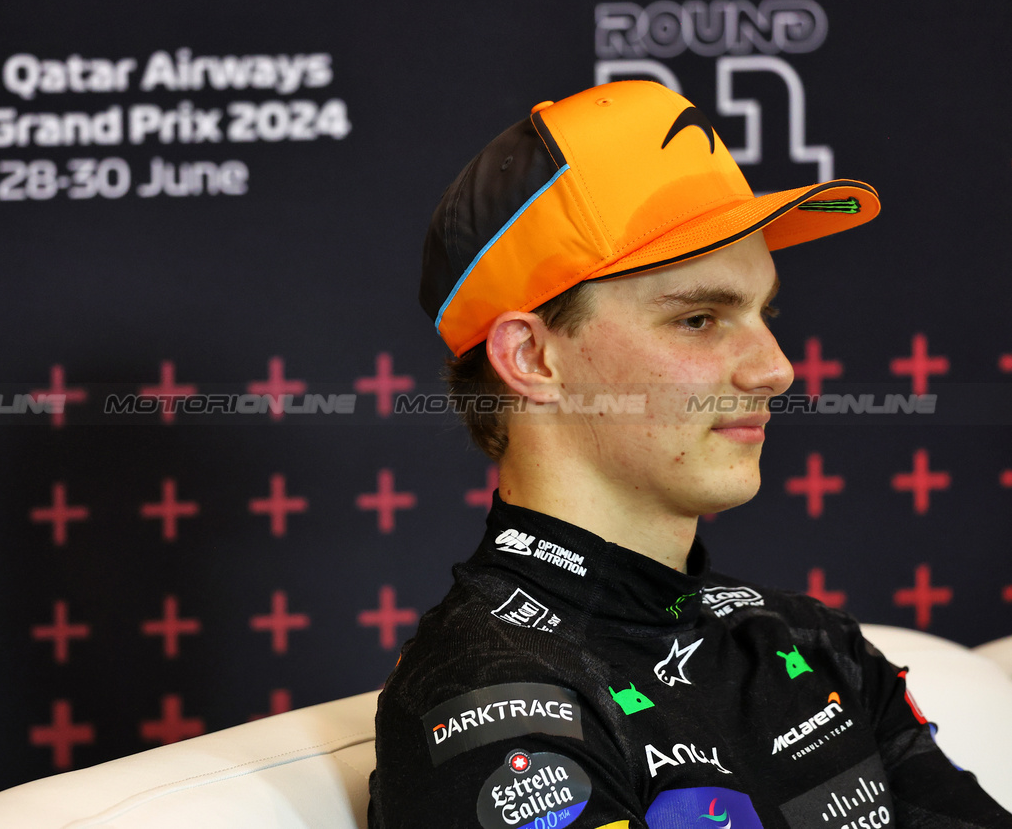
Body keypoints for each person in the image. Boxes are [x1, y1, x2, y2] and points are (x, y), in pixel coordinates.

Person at [368, 81, 1012, 828]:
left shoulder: (804, 640)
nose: (775, 369)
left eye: (761, 313)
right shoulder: (486, 701)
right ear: (533, 357)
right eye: (699, 319)